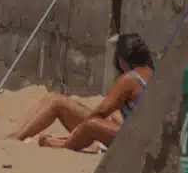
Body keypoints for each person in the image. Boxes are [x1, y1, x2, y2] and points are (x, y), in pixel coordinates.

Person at [9, 32, 154, 151]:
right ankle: (16, 136)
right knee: (53, 99)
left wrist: (79, 130)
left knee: (82, 118)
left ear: (121, 60)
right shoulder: (154, 74)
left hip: (132, 137)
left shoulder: (129, 79)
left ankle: (58, 143)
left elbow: (101, 111)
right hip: (138, 134)